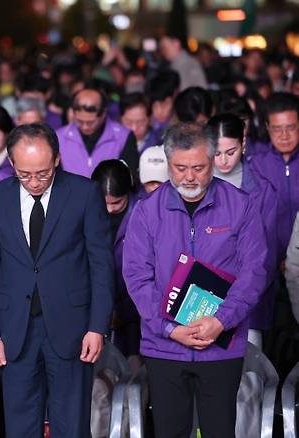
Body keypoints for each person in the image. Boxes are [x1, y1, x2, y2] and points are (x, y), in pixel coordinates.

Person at [123, 122, 267, 438]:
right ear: (168, 163)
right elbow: (136, 276)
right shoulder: (147, 211)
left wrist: (221, 320)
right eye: (180, 168)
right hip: (165, 347)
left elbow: (254, 271)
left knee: (219, 431)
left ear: (213, 160)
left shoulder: (240, 206)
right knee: (170, 431)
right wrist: (168, 328)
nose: (190, 176)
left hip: (220, 346)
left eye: (199, 168)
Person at [0, 123, 114, 437]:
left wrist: (97, 327)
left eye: (43, 173)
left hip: (73, 327)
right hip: (14, 330)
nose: (34, 182)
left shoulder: (84, 193)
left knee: (71, 424)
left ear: (56, 160)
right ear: (11, 164)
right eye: (24, 174)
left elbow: (101, 265)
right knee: (20, 424)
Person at [206, 113, 279, 347]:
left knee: (248, 376)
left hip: (249, 301)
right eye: (216, 153)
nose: (223, 161)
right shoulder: (194, 185)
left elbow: (266, 256)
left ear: (244, 144)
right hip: (200, 296)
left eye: (231, 152)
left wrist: (240, 296)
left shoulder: (262, 191)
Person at [91, 160, 140, 363]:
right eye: (105, 203)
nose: (110, 209)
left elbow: (148, 273)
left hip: (136, 307)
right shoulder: (86, 213)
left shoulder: (142, 214)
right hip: (99, 308)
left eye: (117, 203)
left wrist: (122, 312)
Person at [249, 92, 299, 256]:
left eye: (291, 127)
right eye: (277, 129)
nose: (284, 136)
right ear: (267, 127)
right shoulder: (256, 165)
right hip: (269, 261)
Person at [56, 87, 139, 178]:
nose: (85, 126)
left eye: (90, 122)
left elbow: (129, 178)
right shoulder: (59, 137)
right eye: (79, 121)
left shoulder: (123, 136)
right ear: (73, 113)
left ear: (103, 113)